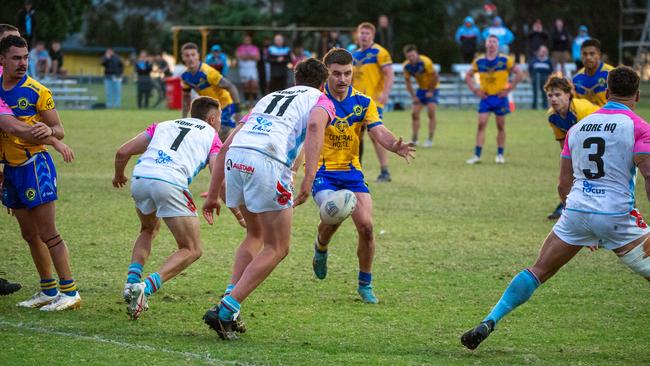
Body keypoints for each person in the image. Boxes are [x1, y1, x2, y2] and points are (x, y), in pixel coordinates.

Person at [461, 66, 650, 350]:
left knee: (538, 271)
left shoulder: (577, 128)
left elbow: (563, 184)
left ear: (607, 92)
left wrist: (582, 223)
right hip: (616, 217)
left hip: (575, 213)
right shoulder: (639, 127)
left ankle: (491, 318)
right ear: (637, 95)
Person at [201, 58, 335, 340]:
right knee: (278, 247)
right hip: (268, 161)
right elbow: (314, 129)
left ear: (295, 78)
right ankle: (226, 309)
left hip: (237, 158)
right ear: (323, 83)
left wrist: (213, 195)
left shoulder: (269, 97)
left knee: (255, 234)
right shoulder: (322, 99)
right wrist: (309, 177)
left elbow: (225, 145)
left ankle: (230, 303)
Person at [310, 48, 415, 304]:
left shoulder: (363, 102)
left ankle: (365, 284)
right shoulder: (316, 102)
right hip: (323, 172)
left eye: (347, 73)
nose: (342, 79)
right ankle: (321, 246)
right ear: (327, 74)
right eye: (336, 74)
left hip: (352, 173)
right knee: (333, 215)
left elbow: (378, 131)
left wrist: (394, 145)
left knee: (366, 228)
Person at [113, 96, 223, 320]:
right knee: (192, 249)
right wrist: (228, 203)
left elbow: (122, 152)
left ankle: (131, 283)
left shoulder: (162, 126)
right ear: (212, 119)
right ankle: (145, 288)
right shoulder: (212, 135)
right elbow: (217, 171)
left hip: (141, 178)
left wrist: (119, 175)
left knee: (147, 229)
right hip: (170, 183)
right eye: (219, 119)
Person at [0, 35, 79, 311]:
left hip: (35, 166)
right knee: (29, 234)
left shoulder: (37, 91)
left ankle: (70, 292)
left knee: (48, 233)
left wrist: (51, 133)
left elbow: (59, 129)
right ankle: (48, 289)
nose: (23, 63)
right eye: (16, 58)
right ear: (2, 59)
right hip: (10, 170)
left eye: (25, 57)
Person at [544, 76, 598, 219]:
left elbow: (595, 139)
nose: (553, 99)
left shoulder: (581, 109)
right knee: (569, 173)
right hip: (584, 145)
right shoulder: (552, 117)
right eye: (550, 95)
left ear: (568, 95)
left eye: (558, 94)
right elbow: (564, 145)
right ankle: (567, 204)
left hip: (603, 140)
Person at [465, 35, 523, 164]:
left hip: (500, 97)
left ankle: (500, 155)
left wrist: (509, 89)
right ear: (486, 44)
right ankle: (477, 155)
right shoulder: (479, 61)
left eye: (494, 42)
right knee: (481, 124)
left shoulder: (505, 60)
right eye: (489, 42)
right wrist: (475, 90)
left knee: (500, 126)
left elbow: (519, 72)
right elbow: (468, 76)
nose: (491, 44)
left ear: (498, 45)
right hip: (485, 98)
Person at [352, 22, 394, 182]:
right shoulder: (354, 55)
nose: (364, 36)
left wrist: (385, 93)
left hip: (373, 102)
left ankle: (385, 171)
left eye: (367, 33)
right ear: (357, 35)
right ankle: (356, 169)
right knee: (355, 136)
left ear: (372, 36)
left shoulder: (380, 52)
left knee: (375, 135)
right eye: (361, 33)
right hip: (356, 101)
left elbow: (389, 74)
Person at [180, 42, 241, 142]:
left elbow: (231, 86)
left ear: (198, 56)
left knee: (218, 136)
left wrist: (238, 111)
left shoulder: (208, 72)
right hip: (210, 108)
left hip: (225, 105)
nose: (191, 58)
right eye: (187, 55)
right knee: (207, 136)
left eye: (193, 55)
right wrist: (183, 118)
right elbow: (186, 98)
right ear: (183, 57)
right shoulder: (185, 77)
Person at [402, 44, 439, 147]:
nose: (411, 58)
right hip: (421, 89)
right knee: (414, 114)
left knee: (431, 113)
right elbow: (408, 82)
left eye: (413, 55)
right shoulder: (406, 66)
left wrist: (431, 91)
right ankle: (414, 139)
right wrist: (414, 96)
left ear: (416, 53)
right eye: (409, 56)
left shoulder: (426, 61)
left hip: (433, 87)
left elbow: (435, 77)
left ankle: (430, 139)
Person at [573, 39, 614, 107]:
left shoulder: (611, 74)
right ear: (581, 56)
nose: (588, 57)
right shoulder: (576, 79)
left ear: (599, 55)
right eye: (585, 54)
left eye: (592, 54)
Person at [236, 34, 260, 109]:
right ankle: (247, 103)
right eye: (245, 39)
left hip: (252, 69)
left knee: (254, 85)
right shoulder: (240, 48)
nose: (247, 40)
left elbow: (258, 57)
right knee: (246, 86)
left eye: (248, 39)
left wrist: (247, 56)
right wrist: (251, 57)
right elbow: (240, 57)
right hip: (244, 69)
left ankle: (254, 102)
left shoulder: (255, 48)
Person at [528, 45, 553, 110]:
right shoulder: (534, 60)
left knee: (544, 94)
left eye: (545, 51)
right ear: (538, 52)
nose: (543, 52)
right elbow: (530, 69)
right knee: (535, 93)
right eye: (542, 51)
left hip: (545, 79)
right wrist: (531, 77)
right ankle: (534, 107)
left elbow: (551, 71)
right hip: (535, 78)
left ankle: (544, 106)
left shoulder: (549, 61)